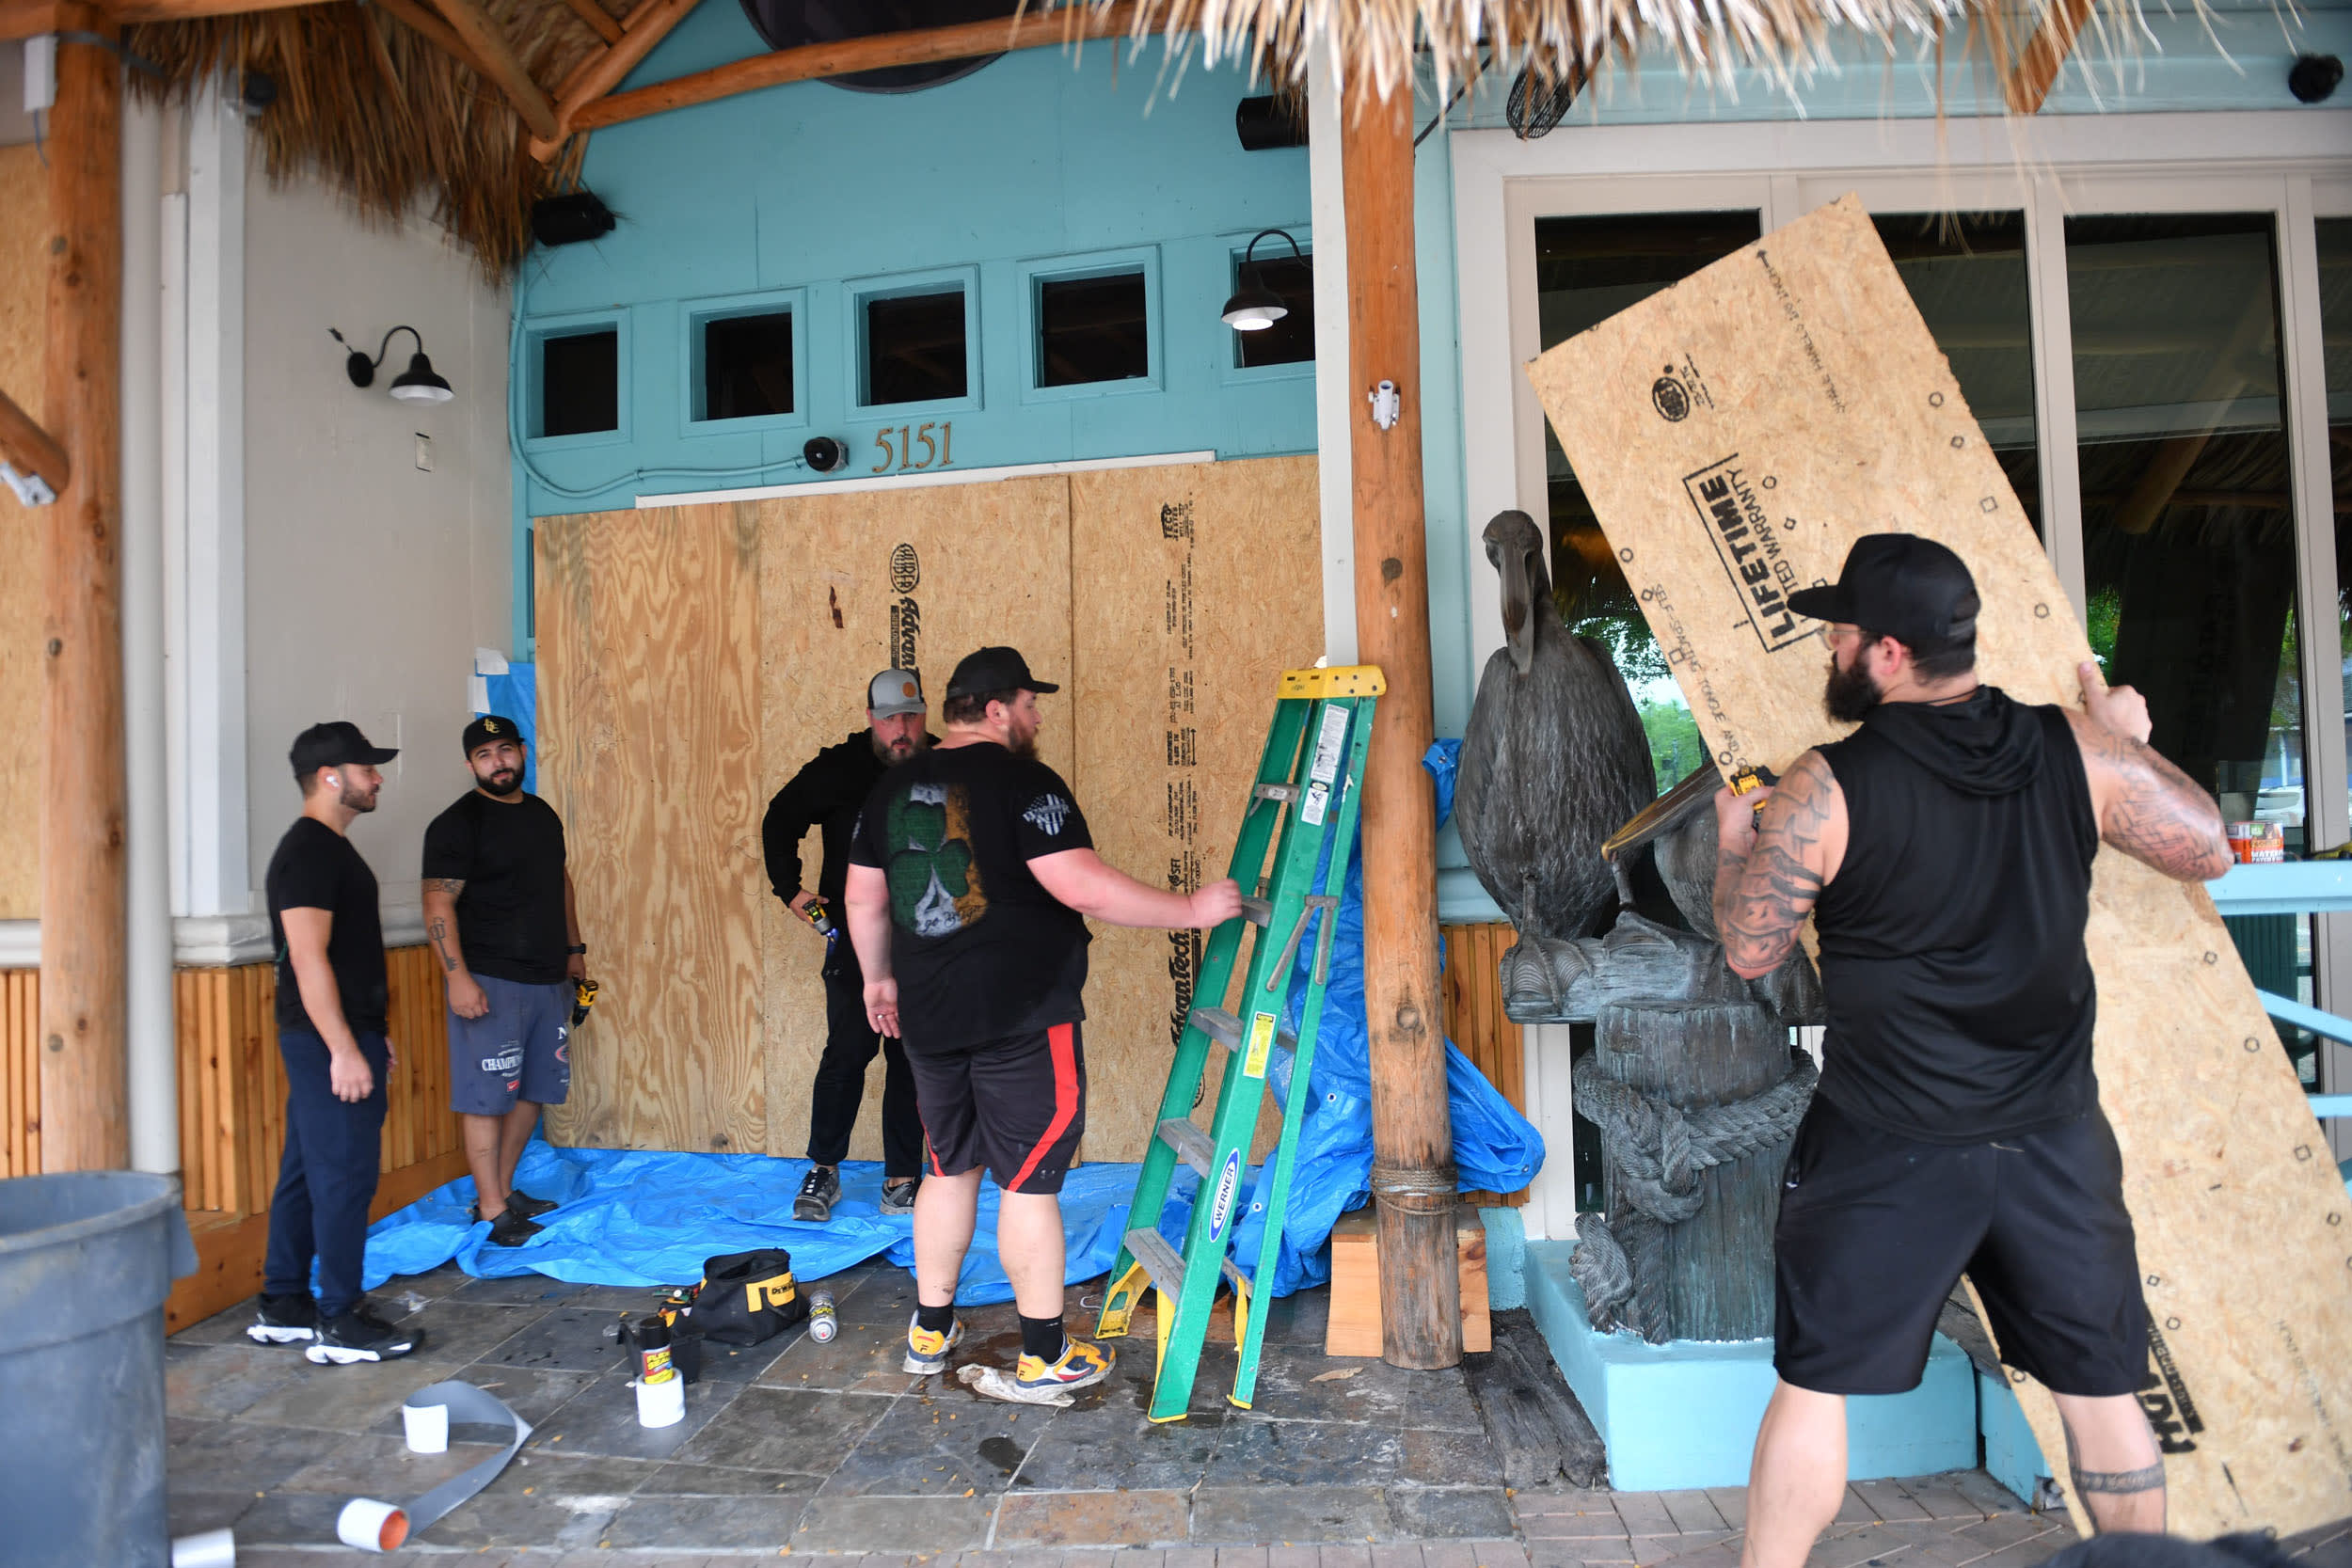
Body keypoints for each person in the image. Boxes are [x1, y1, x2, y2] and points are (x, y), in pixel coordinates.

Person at [1710, 534, 2232, 1567]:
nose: (1830, 643)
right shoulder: (2073, 751)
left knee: (1814, 1384)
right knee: (2102, 1394)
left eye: (1842, 631)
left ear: (1889, 653)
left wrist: (1734, 846)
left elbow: (1747, 948)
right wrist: (2122, 739)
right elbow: (2204, 841)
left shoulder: (1827, 785)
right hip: (2051, 1138)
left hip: (1884, 1141)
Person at [846, 646, 1242, 1396]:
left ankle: (929, 1332)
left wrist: (877, 979)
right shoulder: (1026, 782)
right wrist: (1191, 910)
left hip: (928, 1019)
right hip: (1020, 1015)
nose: (1035, 717)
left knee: (946, 1168)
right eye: (1029, 703)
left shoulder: (892, 789)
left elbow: (865, 899)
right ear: (996, 709)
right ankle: (1044, 1353)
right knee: (1029, 1185)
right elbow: (1082, 885)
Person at [247, 722, 422, 1365]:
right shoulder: (310, 852)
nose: (376, 778)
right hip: (326, 1043)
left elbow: (340, 962)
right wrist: (345, 1048)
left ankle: (284, 1300)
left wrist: (371, 1034)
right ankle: (339, 1319)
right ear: (330, 776)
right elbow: (307, 957)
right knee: (345, 1176)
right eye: (366, 768)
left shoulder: (328, 850)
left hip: (338, 1035)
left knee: (303, 1169)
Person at [763, 669, 934, 1224]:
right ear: (871, 720)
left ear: (924, 715)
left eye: (910, 716)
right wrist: (791, 891)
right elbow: (779, 820)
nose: (901, 729)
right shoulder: (838, 768)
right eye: (889, 719)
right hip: (854, 943)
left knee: (910, 1058)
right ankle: (824, 1170)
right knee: (846, 1053)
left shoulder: (943, 767)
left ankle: (902, 1178)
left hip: (924, 941)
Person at [421, 716, 589, 1247]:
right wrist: (458, 979)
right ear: (471, 765)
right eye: (485, 755)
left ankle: (503, 1191)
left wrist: (574, 949)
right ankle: (491, 1209)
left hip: (547, 978)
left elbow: (560, 881)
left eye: (505, 750)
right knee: (487, 1098)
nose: (498, 762)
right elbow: (437, 902)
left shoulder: (542, 815)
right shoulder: (456, 824)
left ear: (521, 751)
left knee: (532, 1094)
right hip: (489, 980)